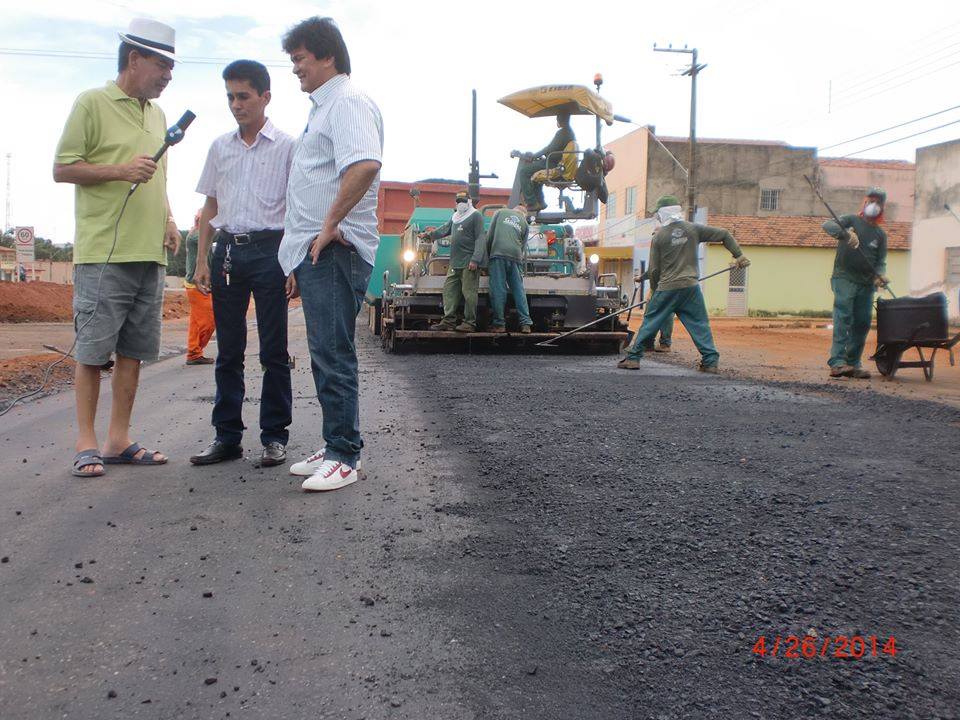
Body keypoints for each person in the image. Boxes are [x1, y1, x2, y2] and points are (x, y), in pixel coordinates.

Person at [54, 18, 180, 478]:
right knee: (92, 351)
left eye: (171, 66)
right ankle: (86, 442)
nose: (168, 75)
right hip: (103, 253)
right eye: (161, 65)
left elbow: (156, 172)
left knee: (134, 351)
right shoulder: (92, 102)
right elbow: (63, 168)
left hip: (150, 253)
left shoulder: (158, 115)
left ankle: (118, 439)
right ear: (134, 59)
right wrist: (120, 171)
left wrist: (168, 219)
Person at [279, 17, 383, 491]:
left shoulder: (347, 102)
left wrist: (329, 225)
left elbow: (363, 164)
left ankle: (345, 454)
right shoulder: (323, 109)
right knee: (323, 351)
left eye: (299, 59)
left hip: (337, 249)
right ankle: (335, 440)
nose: (295, 69)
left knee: (334, 351)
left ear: (327, 56)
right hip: (317, 250)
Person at [189, 60, 296, 468]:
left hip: (272, 251)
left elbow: (298, 209)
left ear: (265, 97)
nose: (236, 104)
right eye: (230, 96)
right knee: (228, 351)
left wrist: (294, 265)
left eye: (244, 96)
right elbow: (210, 204)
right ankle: (227, 436)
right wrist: (202, 260)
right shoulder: (220, 147)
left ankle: (273, 436)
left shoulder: (288, 147)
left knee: (274, 350)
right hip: (228, 253)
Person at [617, 198, 749, 372]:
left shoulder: (659, 236)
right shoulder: (693, 229)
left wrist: (656, 291)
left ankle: (633, 358)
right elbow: (724, 234)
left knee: (651, 321)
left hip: (667, 288)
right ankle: (710, 361)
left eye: (657, 213)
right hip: (690, 287)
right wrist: (738, 255)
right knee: (699, 323)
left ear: (662, 213)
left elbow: (654, 270)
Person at [821, 187, 890, 380]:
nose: (874, 205)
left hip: (866, 284)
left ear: (882, 207)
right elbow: (827, 225)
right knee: (843, 315)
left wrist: (880, 276)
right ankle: (837, 363)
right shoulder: (851, 220)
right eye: (871, 200)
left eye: (878, 202)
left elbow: (881, 261)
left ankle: (852, 363)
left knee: (862, 322)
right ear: (865, 202)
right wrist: (845, 235)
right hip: (844, 277)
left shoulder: (880, 234)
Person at [420, 190, 485, 332]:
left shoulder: (476, 216)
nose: (460, 204)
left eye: (463, 201)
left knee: (469, 293)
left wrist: (475, 259)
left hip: (469, 262)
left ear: (469, 201)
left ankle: (469, 323)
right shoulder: (455, 217)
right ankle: (448, 320)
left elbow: (480, 238)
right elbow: (444, 229)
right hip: (455, 262)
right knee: (449, 290)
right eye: (458, 201)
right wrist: (429, 235)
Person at [485, 203, 533, 334]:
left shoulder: (500, 212)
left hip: (498, 254)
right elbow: (522, 247)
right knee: (518, 290)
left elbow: (490, 236)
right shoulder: (525, 222)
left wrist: (488, 256)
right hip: (516, 256)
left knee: (498, 289)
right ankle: (526, 323)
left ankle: (499, 324)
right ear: (523, 214)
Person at [516, 113, 576, 212]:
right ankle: (541, 202)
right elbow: (551, 149)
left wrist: (534, 156)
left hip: (553, 164)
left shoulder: (563, 133)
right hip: (557, 162)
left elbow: (550, 148)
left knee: (524, 172)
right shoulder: (570, 133)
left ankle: (532, 202)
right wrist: (538, 156)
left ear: (559, 120)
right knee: (535, 173)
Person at [183, 209, 215, 365]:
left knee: (197, 322)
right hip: (197, 285)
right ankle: (194, 352)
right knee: (208, 321)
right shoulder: (196, 236)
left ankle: (194, 352)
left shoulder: (195, 235)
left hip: (197, 284)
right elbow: (214, 235)